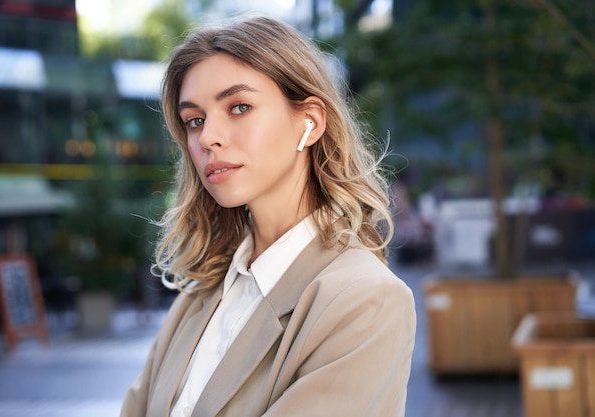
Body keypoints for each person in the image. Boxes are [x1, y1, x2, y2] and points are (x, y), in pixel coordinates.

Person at [121, 15, 416, 417]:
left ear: (309, 121)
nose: (208, 137)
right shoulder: (198, 299)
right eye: (195, 120)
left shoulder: (366, 299)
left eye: (239, 107)